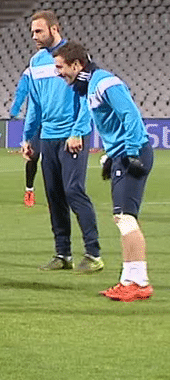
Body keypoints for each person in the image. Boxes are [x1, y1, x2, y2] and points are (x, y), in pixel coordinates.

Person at [53, 41, 154, 301]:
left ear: (77, 65)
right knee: (123, 218)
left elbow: (130, 114)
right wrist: (111, 154)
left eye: (61, 67)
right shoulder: (91, 86)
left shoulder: (104, 83)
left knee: (126, 218)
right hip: (121, 153)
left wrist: (130, 152)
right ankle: (130, 279)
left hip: (132, 153)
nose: (58, 72)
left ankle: (139, 282)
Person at [20, 11, 103, 273]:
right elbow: (34, 103)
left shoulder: (75, 57)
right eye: (32, 31)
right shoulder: (35, 62)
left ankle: (93, 253)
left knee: (73, 191)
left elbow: (86, 97)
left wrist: (78, 131)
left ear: (54, 29)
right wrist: (28, 136)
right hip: (47, 136)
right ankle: (62, 254)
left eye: (38, 31)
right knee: (55, 196)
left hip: (72, 136)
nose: (34, 36)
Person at [10, 67, 40, 207]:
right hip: (36, 119)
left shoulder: (62, 67)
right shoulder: (32, 70)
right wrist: (15, 109)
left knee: (56, 159)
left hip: (57, 119)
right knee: (33, 156)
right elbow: (22, 90)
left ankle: (58, 194)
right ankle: (29, 190)